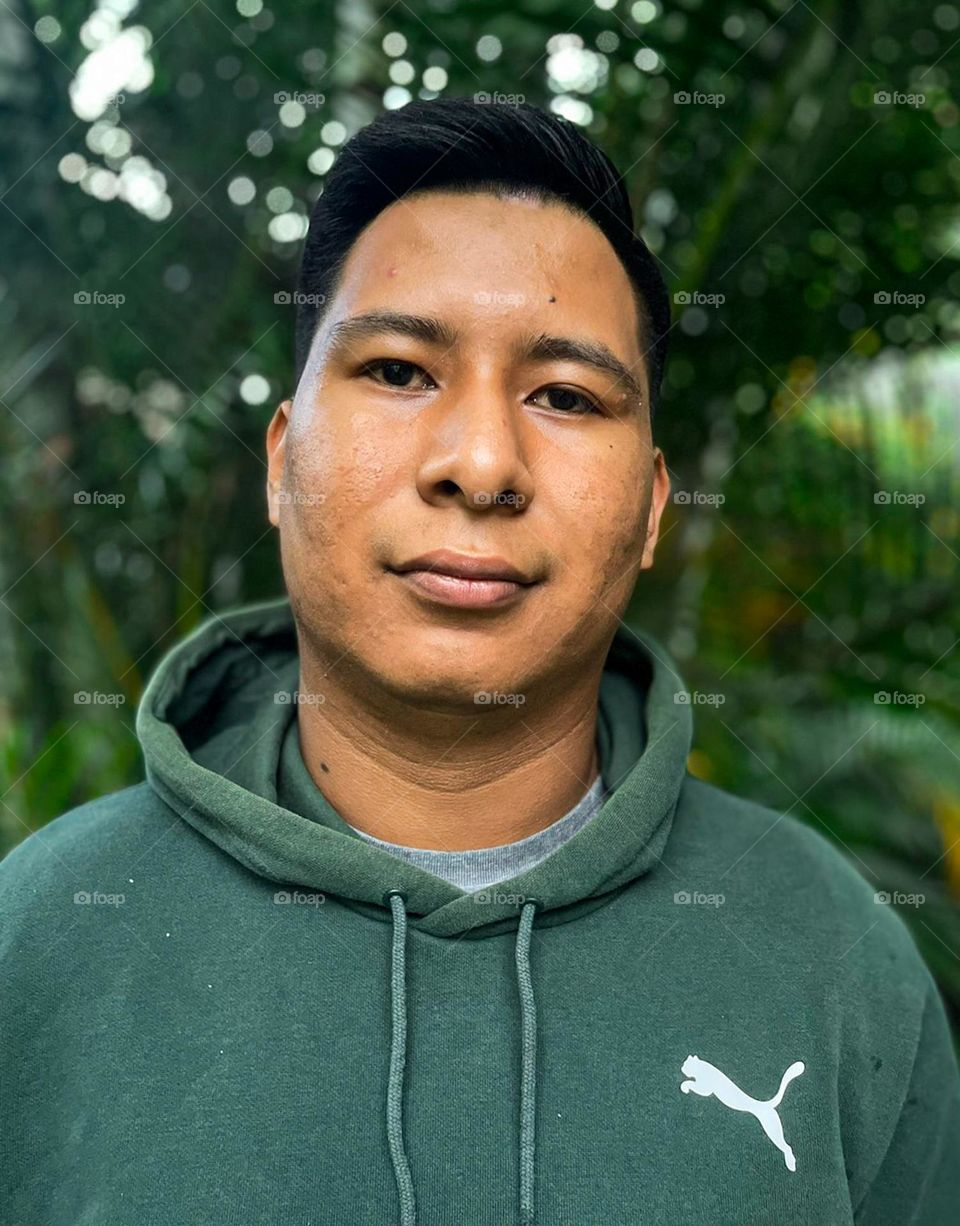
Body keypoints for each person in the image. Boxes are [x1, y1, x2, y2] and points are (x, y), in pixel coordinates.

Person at [2, 97, 958, 1226]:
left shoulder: (834, 950)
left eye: (563, 395)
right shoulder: (41, 936)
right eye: (401, 370)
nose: (482, 462)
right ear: (281, 462)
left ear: (652, 509)